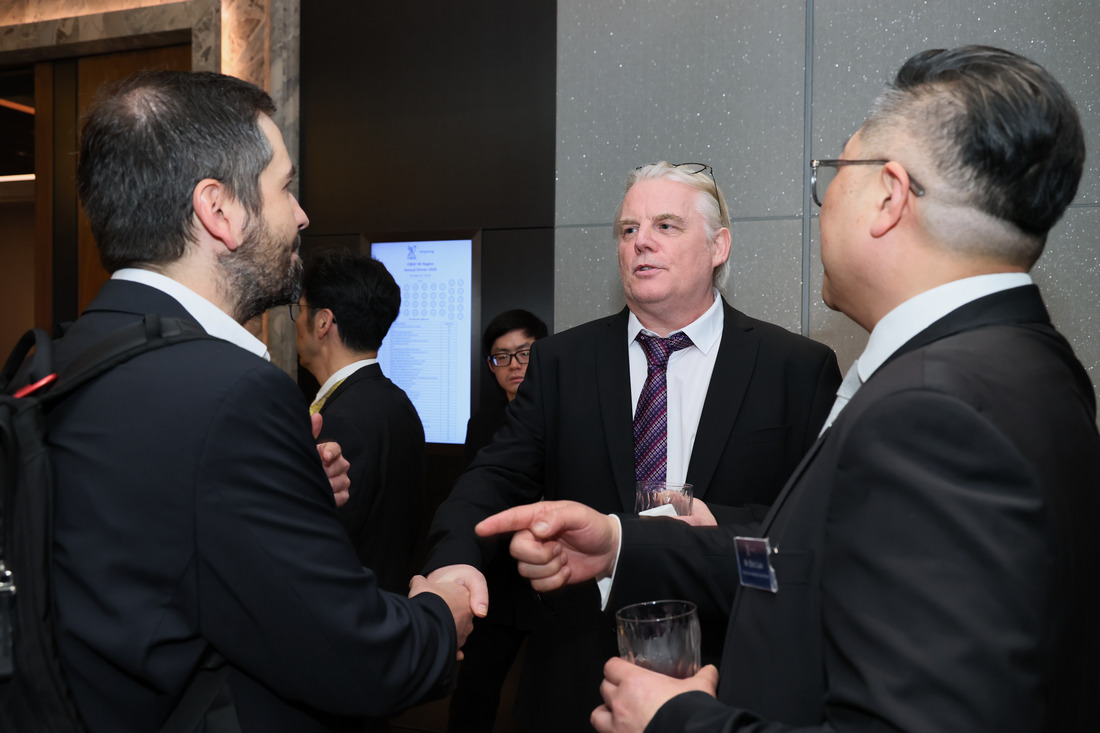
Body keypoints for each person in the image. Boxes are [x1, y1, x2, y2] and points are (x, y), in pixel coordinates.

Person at [477, 45, 1100, 732]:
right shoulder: (1021, 362)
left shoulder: (935, 411)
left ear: (890, 196)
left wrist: (679, 721)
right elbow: (798, 564)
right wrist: (623, 542)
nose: (823, 201)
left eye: (833, 175)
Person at [41, 70, 476, 732]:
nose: (301, 215)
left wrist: (287, 491)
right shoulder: (232, 392)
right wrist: (443, 611)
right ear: (219, 210)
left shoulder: (55, 362)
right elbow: (355, 656)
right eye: (285, 187)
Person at [424, 161, 842, 730]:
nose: (641, 241)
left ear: (718, 246)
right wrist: (453, 560)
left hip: (730, 671)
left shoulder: (795, 368)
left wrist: (713, 521)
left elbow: (816, 530)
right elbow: (492, 476)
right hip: (579, 670)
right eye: (628, 229)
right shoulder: (562, 362)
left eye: (666, 226)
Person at [295, 249, 426, 597]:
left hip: (351, 607)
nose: (296, 321)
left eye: (300, 309)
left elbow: (318, 545)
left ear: (323, 322)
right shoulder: (396, 401)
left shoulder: (340, 422)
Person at [448, 309, 548, 732]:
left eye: (524, 353)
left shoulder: (568, 415)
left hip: (553, 581)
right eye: (501, 356)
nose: (514, 365)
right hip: (498, 581)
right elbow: (471, 495)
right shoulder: (484, 423)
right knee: (474, 692)